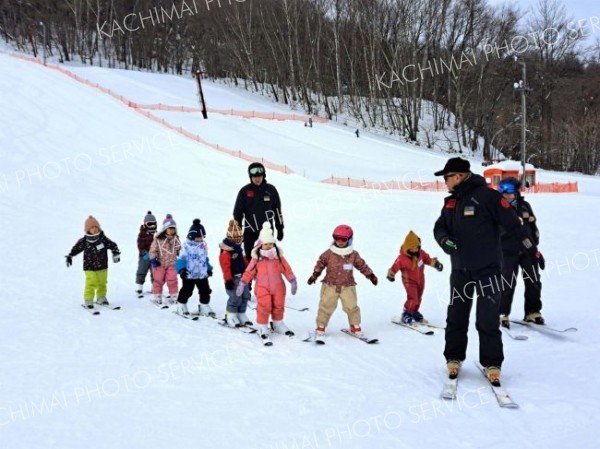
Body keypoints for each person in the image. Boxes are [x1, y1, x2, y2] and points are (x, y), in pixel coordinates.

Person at [433, 157, 544, 385]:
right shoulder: (451, 203)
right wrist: (445, 241)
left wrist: (532, 251)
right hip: (461, 271)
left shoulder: (488, 197)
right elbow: (439, 227)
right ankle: (453, 357)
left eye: (446, 177)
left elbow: (515, 226)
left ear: (458, 176)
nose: (445, 182)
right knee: (456, 316)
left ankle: (492, 363)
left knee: (487, 319)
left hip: (488, 271)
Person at [307, 224, 378, 339]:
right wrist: (315, 275)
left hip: (348, 286)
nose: (339, 241)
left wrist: (370, 275)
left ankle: (355, 325)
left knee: (352, 306)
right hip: (330, 285)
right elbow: (320, 263)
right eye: (336, 238)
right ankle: (321, 325)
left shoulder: (353, 255)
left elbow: (362, 266)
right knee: (326, 305)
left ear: (349, 239)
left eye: (343, 239)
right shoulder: (329, 253)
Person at [236, 222, 297, 344]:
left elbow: (286, 269)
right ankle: (262, 326)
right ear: (260, 245)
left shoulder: (278, 257)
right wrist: (243, 283)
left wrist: (292, 280)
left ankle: (278, 323)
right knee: (264, 306)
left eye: (270, 244)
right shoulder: (257, 259)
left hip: (279, 287)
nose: (268, 246)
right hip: (262, 287)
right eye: (266, 244)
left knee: (278, 305)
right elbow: (249, 272)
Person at [497, 177, 545, 328]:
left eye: (509, 191)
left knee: (534, 281)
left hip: (527, 251)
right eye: (502, 191)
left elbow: (531, 227)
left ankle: (533, 312)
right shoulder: (497, 207)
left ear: (516, 192)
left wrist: (535, 247)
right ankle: (501, 313)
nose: (505, 194)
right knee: (507, 283)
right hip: (507, 251)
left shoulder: (524, 206)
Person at [386, 230, 443, 324]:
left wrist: (436, 264)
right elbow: (394, 267)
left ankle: (414, 312)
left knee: (419, 297)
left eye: (416, 247)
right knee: (413, 298)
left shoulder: (421, 254)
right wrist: (391, 274)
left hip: (421, 280)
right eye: (412, 248)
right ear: (407, 247)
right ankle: (406, 313)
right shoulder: (402, 258)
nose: (414, 249)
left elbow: (428, 260)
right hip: (409, 281)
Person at [233, 162, 284, 263]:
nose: (257, 179)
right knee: (250, 259)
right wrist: (238, 232)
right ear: (250, 177)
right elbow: (238, 213)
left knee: (267, 259)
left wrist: (280, 228)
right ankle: (248, 278)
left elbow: (277, 211)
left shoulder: (271, 190)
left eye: (259, 176)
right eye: (254, 177)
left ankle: (264, 278)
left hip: (267, 232)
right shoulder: (244, 191)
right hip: (250, 231)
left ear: (263, 176)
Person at [65, 215, 120, 309]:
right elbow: (76, 248)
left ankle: (101, 298)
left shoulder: (103, 238)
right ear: (87, 230)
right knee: (91, 282)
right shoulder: (84, 241)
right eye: (92, 227)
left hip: (102, 266)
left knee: (102, 282)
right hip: (89, 266)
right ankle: (88, 300)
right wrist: (70, 255)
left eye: (96, 227)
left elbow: (113, 245)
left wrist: (116, 253)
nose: (94, 229)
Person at [175, 219, 214, 316]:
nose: (201, 239)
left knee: (205, 290)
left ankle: (204, 306)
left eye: (202, 237)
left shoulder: (203, 246)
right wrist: (182, 270)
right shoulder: (186, 247)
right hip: (189, 274)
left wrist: (208, 269)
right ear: (192, 236)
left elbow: (205, 259)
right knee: (187, 290)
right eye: (198, 237)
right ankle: (181, 305)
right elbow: (180, 260)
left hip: (202, 274)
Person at [219, 219, 252, 327]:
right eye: (235, 238)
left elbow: (244, 262)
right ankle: (231, 315)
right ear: (230, 238)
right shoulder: (226, 252)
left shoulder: (238, 249)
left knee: (246, 295)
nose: (238, 240)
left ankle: (241, 313)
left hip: (243, 278)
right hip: (233, 278)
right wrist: (228, 280)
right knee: (235, 297)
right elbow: (225, 267)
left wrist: (250, 271)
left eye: (239, 238)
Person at [149, 214, 182, 305]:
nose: (171, 231)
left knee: (172, 279)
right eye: (169, 228)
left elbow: (180, 250)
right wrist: (153, 259)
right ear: (165, 229)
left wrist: (181, 258)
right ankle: (157, 295)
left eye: (173, 229)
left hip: (172, 263)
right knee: (158, 280)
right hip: (159, 263)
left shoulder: (176, 239)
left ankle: (174, 295)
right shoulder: (158, 239)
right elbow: (153, 250)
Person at [135, 211, 157, 297]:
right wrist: (144, 252)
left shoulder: (157, 233)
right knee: (142, 270)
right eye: (149, 224)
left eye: (153, 224)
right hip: (145, 255)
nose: (152, 226)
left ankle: (154, 287)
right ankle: (139, 286)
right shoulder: (142, 234)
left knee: (155, 272)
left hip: (155, 256)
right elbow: (140, 244)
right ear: (145, 224)